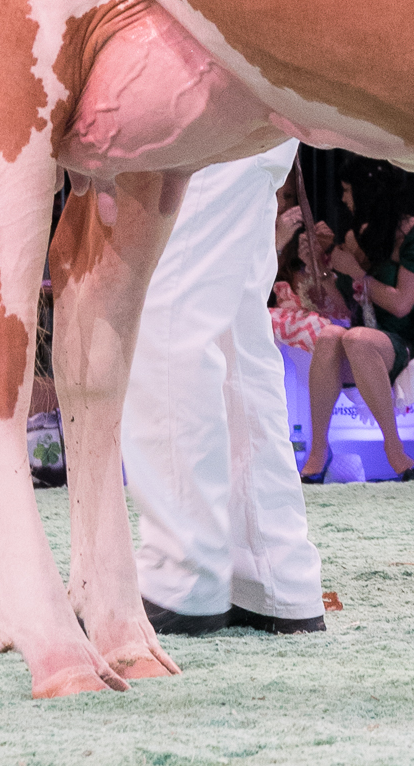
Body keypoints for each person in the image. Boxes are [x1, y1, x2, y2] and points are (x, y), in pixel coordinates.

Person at [121, 145, 330, 639]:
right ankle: (270, 572)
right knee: (238, 328)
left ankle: (181, 569)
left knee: (171, 305)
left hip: (213, 118)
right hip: (262, 130)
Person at [271, 184, 414, 485]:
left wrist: (357, 272)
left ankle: (394, 449)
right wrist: (319, 267)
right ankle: (319, 450)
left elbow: (401, 305)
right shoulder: (353, 235)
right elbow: (344, 307)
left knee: (356, 338)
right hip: (359, 332)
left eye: (348, 189)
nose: (344, 197)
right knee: (330, 335)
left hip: (400, 338)